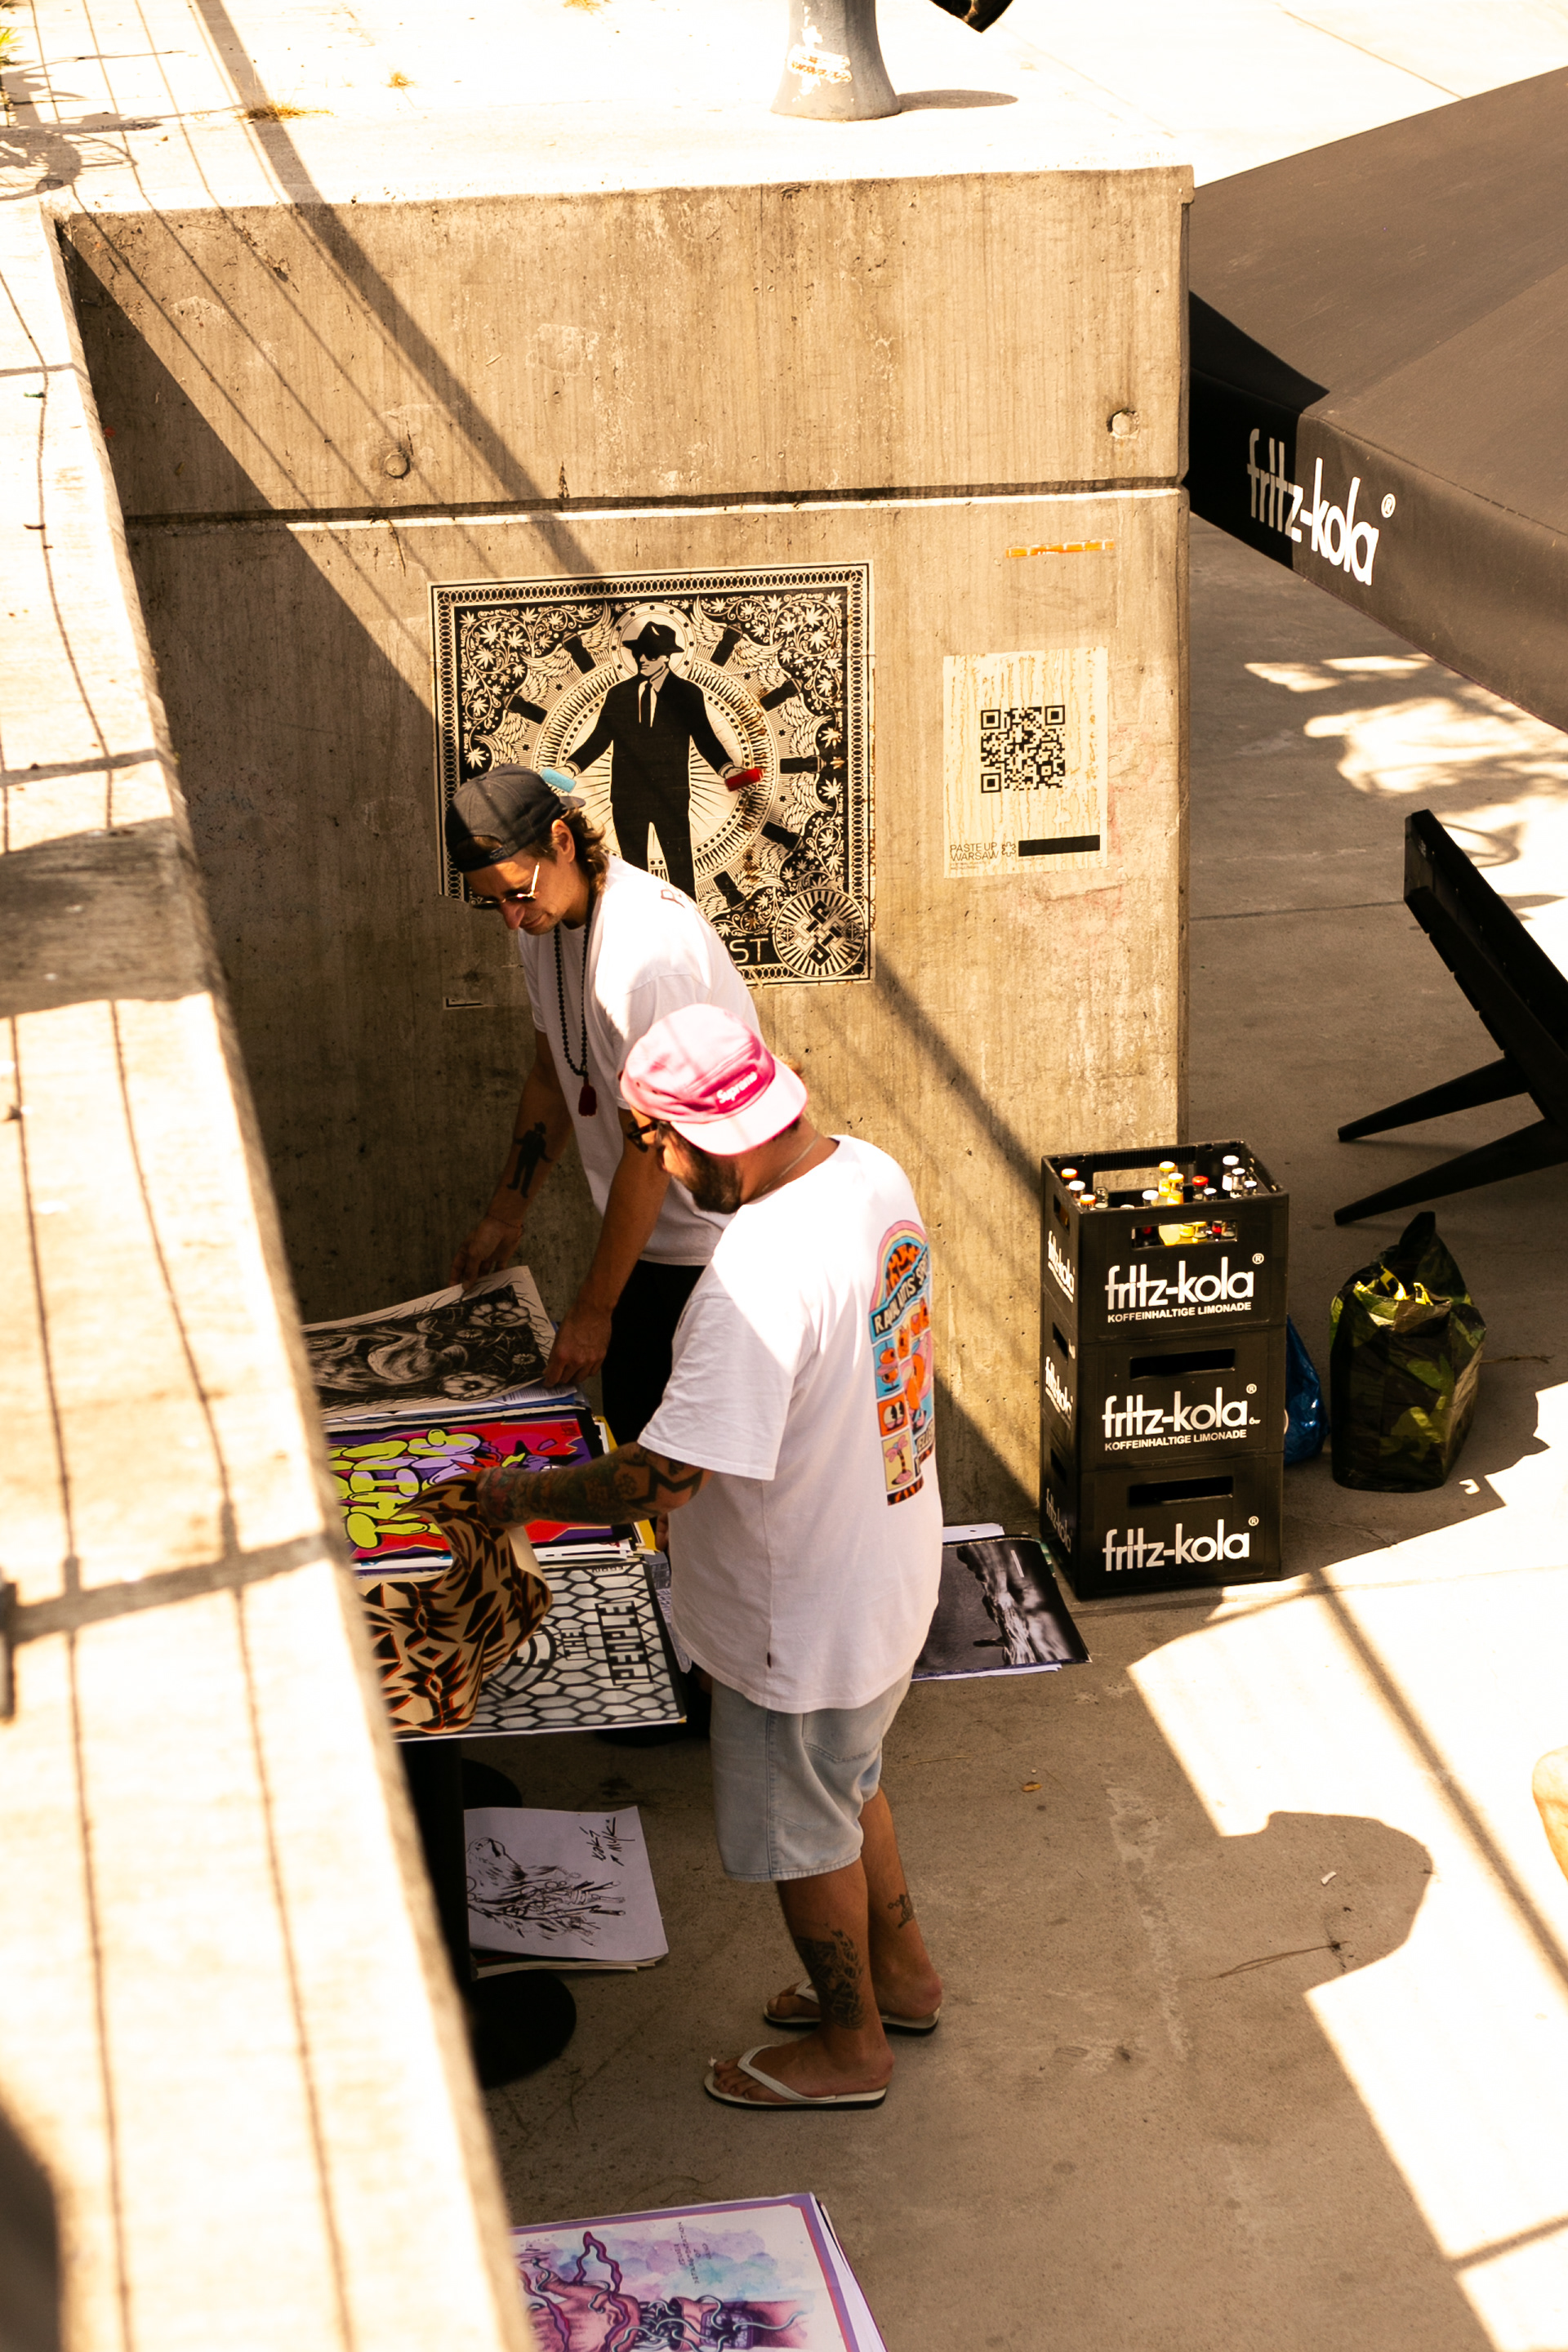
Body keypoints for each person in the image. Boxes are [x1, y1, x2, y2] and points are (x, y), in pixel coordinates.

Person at [445, 1003, 946, 2109]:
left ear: (702, 1134)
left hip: (794, 1617)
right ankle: (906, 1981)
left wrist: (514, 1496)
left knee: (802, 1830)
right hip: (887, 1566)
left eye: (656, 1142)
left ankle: (851, 2049)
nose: (660, 1170)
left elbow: (663, 1481)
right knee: (849, 1782)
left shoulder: (754, 1278)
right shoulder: (869, 1173)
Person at [447, 764, 758, 1446]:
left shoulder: (646, 960)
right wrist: (505, 1213)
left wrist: (594, 1310)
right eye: (491, 903)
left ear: (563, 841)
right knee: (633, 1441)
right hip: (649, 1244)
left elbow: (654, 1150)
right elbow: (550, 1075)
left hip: (720, 1253)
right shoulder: (544, 921)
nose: (511, 917)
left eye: (516, 892)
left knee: (678, 1468)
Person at [557, 621, 749, 901]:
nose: (643, 659)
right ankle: (641, 922)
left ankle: (687, 922)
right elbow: (600, 737)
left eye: (651, 654)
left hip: (670, 797)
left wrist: (727, 768)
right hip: (627, 798)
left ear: (666, 657)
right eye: (639, 653)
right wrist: (571, 767)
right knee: (634, 873)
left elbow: (705, 736)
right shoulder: (619, 693)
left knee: (680, 869)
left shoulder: (687, 693)